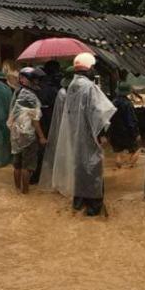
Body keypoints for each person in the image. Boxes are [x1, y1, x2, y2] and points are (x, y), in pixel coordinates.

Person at [52, 53, 116, 216]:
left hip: (75, 134)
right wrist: (102, 134)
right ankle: (94, 207)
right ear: (88, 69)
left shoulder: (72, 86)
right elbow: (100, 111)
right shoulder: (89, 87)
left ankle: (79, 203)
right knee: (93, 168)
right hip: (88, 134)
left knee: (79, 167)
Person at [8, 67, 47, 194]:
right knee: (27, 166)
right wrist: (41, 137)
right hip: (27, 133)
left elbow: (12, 113)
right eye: (34, 79)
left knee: (17, 164)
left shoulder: (18, 92)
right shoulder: (30, 96)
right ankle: (25, 193)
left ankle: (17, 190)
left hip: (15, 132)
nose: (36, 82)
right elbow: (35, 119)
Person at [38, 66, 74, 194]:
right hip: (64, 128)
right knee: (65, 154)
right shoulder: (62, 93)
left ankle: (64, 182)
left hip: (61, 127)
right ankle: (63, 182)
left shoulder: (61, 92)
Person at [31, 60, 62, 184]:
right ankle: (51, 176)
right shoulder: (54, 87)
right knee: (52, 148)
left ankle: (37, 176)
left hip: (37, 121)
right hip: (51, 120)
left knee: (39, 148)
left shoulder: (36, 87)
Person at [108, 81, 140, 168]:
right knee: (136, 150)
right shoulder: (128, 104)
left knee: (118, 152)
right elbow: (131, 121)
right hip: (126, 133)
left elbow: (108, 118)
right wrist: (136, 133)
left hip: (114, 131)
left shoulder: (113, 102)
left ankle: (119, 168)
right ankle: (130, 168)